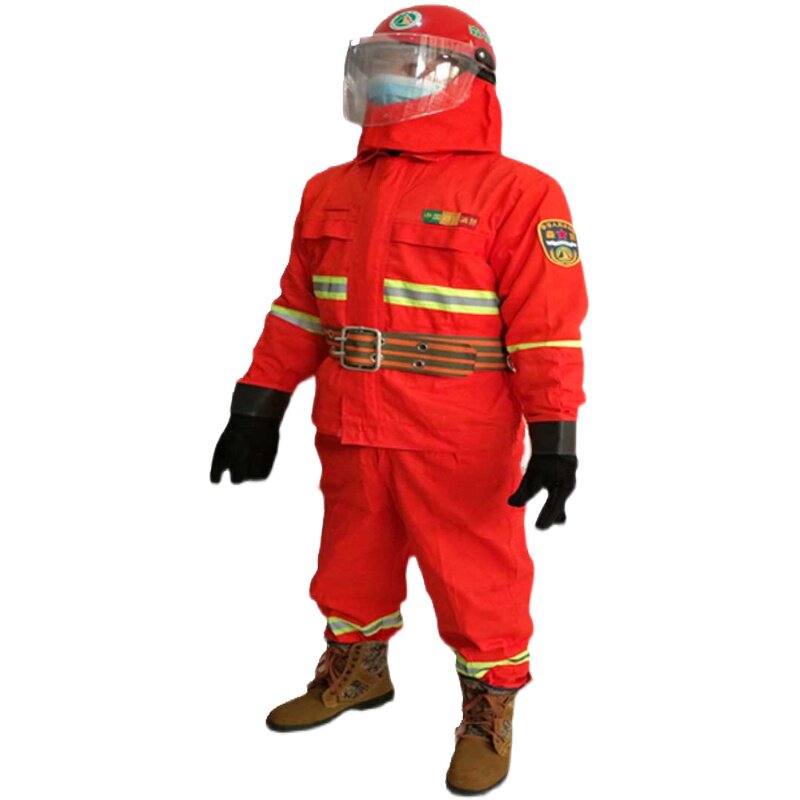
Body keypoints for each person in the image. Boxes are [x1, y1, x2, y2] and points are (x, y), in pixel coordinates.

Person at [210, 5, 588, 794]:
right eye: (378, 65)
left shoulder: (520, 193)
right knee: (351, 557)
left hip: (457, 434)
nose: (389, 82)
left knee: (476, 575)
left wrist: (556, 439)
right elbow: (298, 310)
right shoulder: (328, 190)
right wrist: (257, 405)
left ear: (469, 80)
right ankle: (357, 668)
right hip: (351, 422)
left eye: (408, 66)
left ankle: (489, 707)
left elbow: (546, 331)